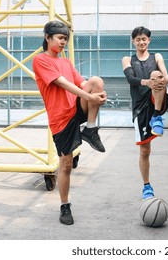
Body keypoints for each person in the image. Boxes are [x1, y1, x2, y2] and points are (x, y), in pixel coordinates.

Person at [33, 20, 107, 225]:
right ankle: (64, 205)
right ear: (48, 38)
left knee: (96, 82)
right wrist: (88, 96)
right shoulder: (41, 60)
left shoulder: (66, 62)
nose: (63, 42)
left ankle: (90, 130)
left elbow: (83, 84)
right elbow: (61, 82)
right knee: (65, 165)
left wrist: (96, 95)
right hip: (60, 118)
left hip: (76, 109)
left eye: (65, 38)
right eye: (60, 38)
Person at [122, 26, 168, 200]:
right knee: (145, 151)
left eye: (144, 39)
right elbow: (130, 79)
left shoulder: (156, 56)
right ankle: (146, 186)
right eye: (138, 39)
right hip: (140, 106)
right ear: (133, 41)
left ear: (149, 40)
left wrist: (165, 79)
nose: (141, 42)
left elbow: (165, 75)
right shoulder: (128, 59)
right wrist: (147, 82)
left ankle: (157, 116)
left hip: (156, 99)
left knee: (157, 73)